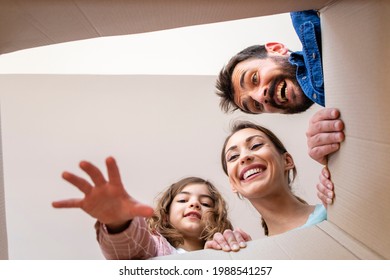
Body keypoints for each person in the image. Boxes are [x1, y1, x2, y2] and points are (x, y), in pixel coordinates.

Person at [215, 10, 344, 202]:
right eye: (256, 106)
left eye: (254, 78)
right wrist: (340, 162)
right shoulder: (332, 101)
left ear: (276, 49)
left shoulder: (318, 31)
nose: (261, 97)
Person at [52, 157, 238, 259]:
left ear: (216, 218)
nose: (194, 204)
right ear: (165, 216)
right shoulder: (155, 248)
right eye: (183, 200)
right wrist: (119, 222)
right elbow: (131, 246)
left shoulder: (222, 253)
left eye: (205, 203)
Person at [205, 120, 327, 252]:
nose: (244, 157)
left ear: (287, 161)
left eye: (256, 145)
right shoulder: (261, 256)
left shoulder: (335, 214)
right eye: (233, 156)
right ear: (233, 184)